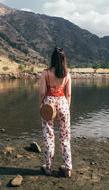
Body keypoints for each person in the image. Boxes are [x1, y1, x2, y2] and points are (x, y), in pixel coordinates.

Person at [39, 47, 72, 177]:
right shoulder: (67, 74)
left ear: (52, 58)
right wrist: (66, 108)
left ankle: (48, 167)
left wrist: (40, 105)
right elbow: (68, 94)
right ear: (64, 59)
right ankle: (67, 168)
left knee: (49, 135)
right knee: (65, 137)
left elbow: (42, 92)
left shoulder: (45, 73)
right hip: (63, 104)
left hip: (49, 105)